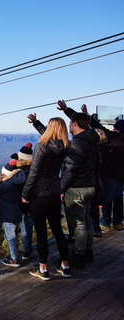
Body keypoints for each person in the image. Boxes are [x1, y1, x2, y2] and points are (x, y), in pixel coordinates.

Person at [22, 116, 70, 280]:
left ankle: (43, 270)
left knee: (41, 234)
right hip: (55, 195)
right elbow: (52, 137)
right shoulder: (64, 146)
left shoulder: (41, 146)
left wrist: (25, 194)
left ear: (50, 129)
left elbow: (33, 173)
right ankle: (65, 266)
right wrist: (36, 123)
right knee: (58, 231)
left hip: (39, 196)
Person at [57, 100, 100, 268]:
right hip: (90, 185)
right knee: (86, 219)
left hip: (77, 188)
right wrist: (67, 110)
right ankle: (88, 252)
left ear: (74, 124)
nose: (69, 124)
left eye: (70, 122)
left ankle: (79, 255)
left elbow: (70, 170)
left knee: (79, 223)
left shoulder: (77, 144)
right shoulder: (91, 139)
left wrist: (62, 189)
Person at [0, 159, 27, 267]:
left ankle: (14, 259)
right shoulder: (19, 181)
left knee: (11, 237)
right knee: (16, 234)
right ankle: (19, 254)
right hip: (17, 212)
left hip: (9, 215)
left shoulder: (8, 185)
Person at [16, 142, 34, 260]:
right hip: (34, 200)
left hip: (22, 201)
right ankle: (29, 246)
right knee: (29, 223)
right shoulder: (34, 168)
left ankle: (26, 250)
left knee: (24, 224)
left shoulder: (18, 171)